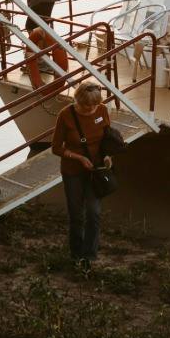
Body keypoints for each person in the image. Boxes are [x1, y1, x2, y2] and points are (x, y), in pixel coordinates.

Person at [50, 83, 113, 269]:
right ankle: (76, 254)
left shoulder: (101, 110)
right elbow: (56, 148)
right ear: (77, 101)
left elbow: (108, 138)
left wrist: (108, 155)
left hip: (96, 171)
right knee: (76, 215)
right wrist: (78, 158)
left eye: (94, 105)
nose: (91, 109)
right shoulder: (66, 115)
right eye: (87, 106)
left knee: (93, 212)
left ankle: (89, 256)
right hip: (73, 172)